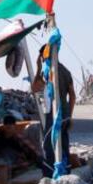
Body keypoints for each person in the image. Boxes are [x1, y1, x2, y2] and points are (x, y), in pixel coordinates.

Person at [31, 43, 77, 175]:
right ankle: (66, 172)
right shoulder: (65, 71)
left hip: (53, 115)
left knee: (48, 145)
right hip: (65, 115)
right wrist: (70, 115)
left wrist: (38, 67)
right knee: (63, 145)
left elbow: (35, 88)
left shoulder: (47, 71)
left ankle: (50, 174)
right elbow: (72, 96)